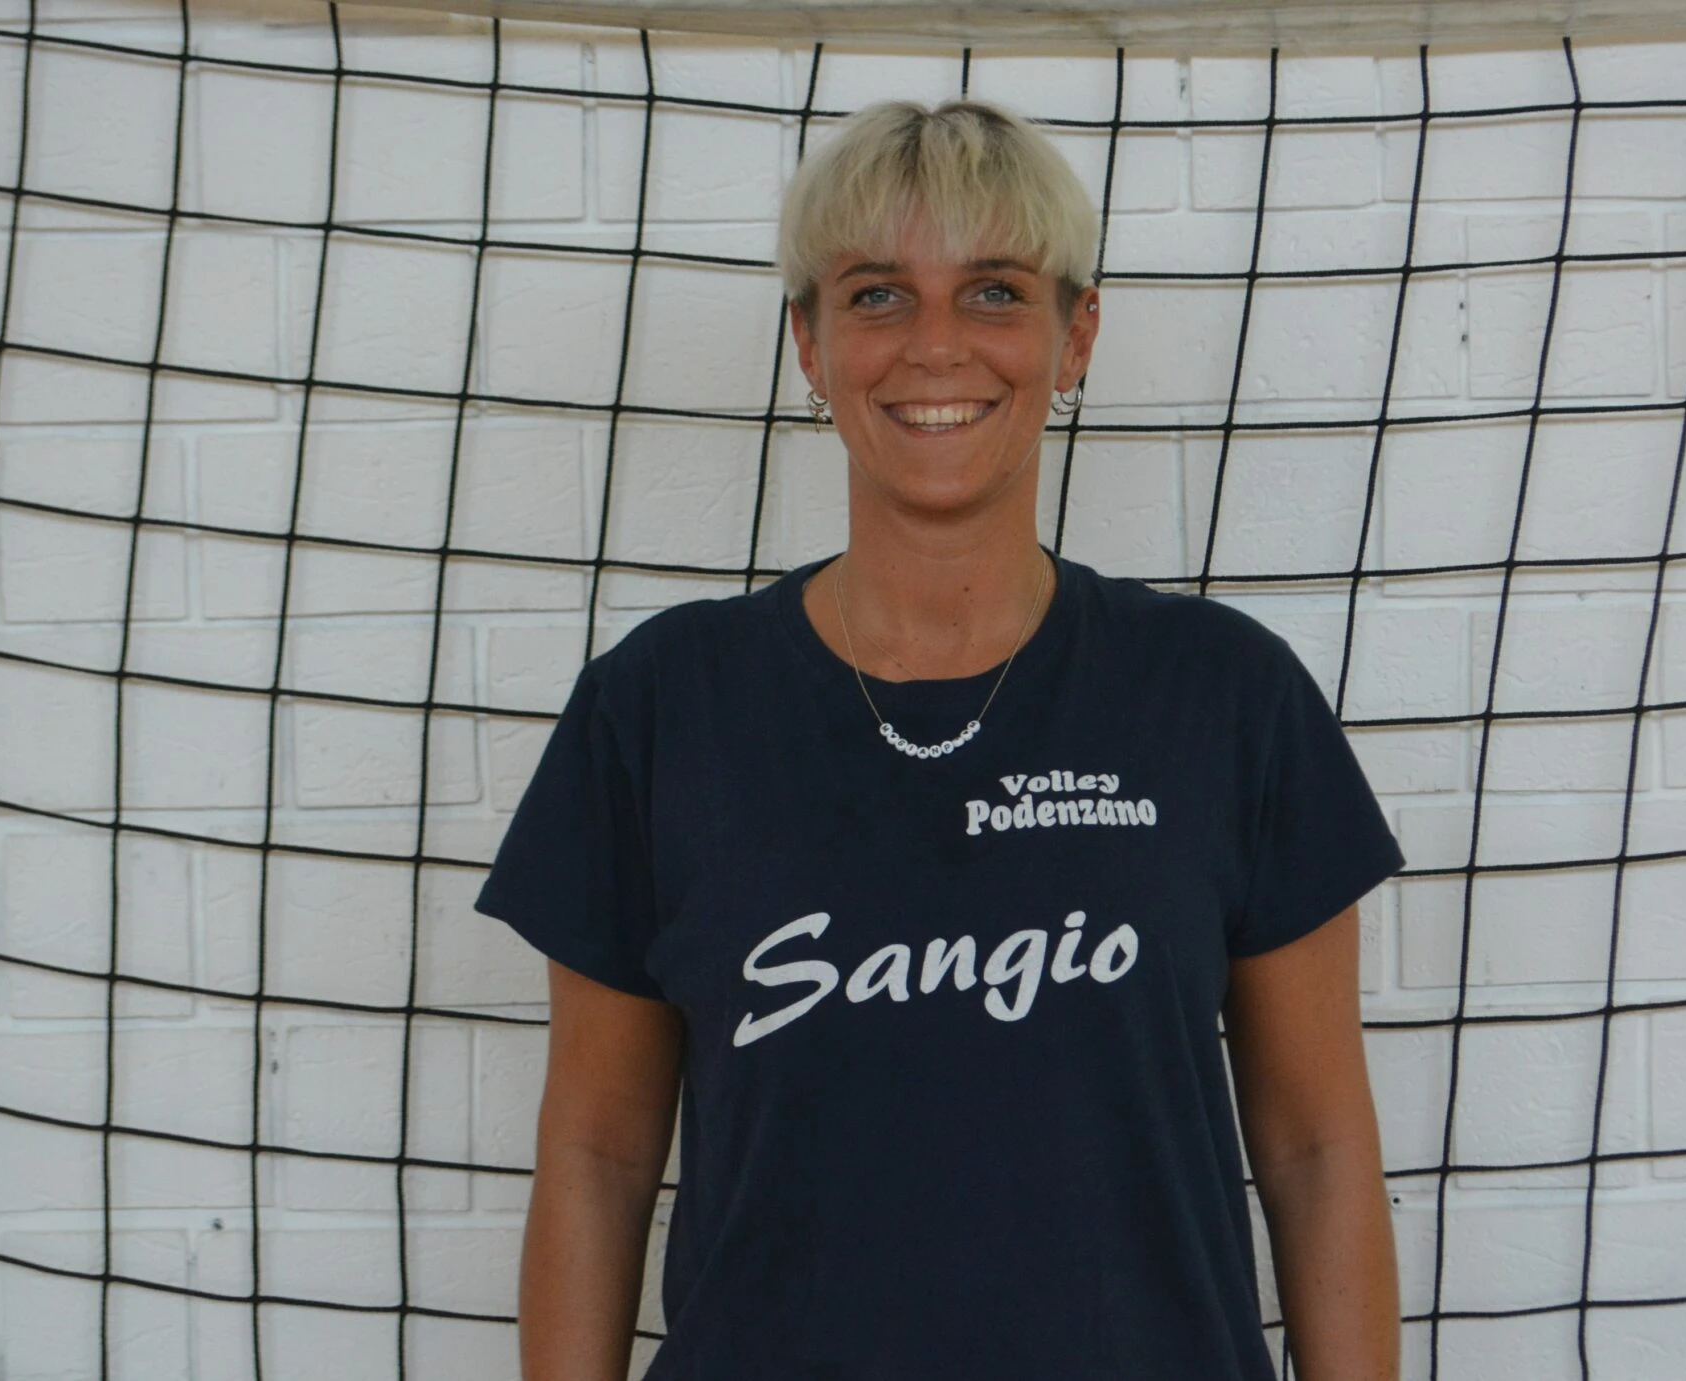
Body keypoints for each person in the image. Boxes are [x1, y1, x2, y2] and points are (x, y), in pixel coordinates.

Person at [473, 97, 1405, 1381]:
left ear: (1076, 336)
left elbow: (1316, 1152)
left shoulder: (1225, 696)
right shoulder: (658, 706)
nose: (934, 345)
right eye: (875, 296)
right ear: (808, 343)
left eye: (994, 292)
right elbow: (595, 1155)